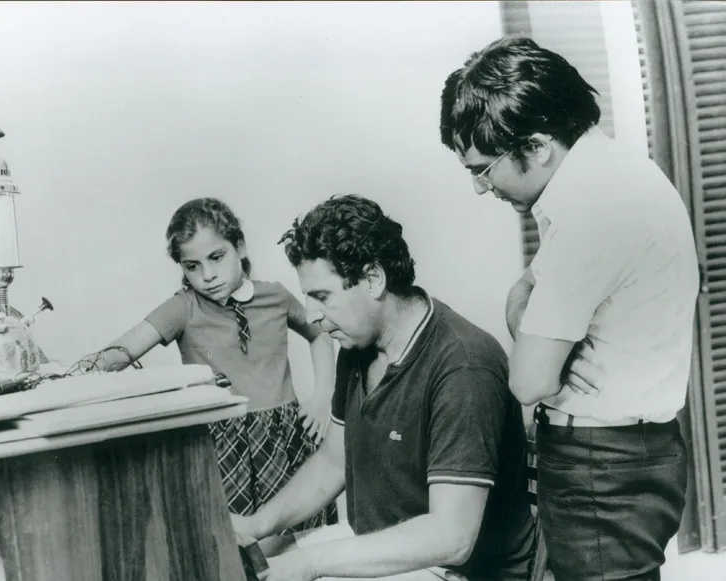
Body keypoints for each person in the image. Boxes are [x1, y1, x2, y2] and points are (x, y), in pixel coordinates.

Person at [440, 36, 699, 581]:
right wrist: (523, 312)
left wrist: (531, 326)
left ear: (536, 146)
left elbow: (529, 380)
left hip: (603, 466)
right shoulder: (599, 176)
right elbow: (525, 287)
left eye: (483, 169)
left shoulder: (593, 209)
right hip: (614, 455)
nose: (480, 189)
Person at [232, 194, 535, 581]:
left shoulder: (463, 366)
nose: (311, 315)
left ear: (373, 279)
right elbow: (332, 460)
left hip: (460, 570)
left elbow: (451, 537)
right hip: (390, 549)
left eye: (322, 296)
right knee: (262, 559)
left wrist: (312, 563)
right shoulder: (356, 345)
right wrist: (256, 525)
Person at [94, 197, 338, 531]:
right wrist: (71, 376)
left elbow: (321, 335)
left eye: (217, 257)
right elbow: (118, 354)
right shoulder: (182, 308)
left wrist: (323, 394)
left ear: (239, 246)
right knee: (226, 543)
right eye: (192, 266)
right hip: (218, 444)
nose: (208, 275)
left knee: (295, 537)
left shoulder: (275, 296)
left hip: (284, 440)